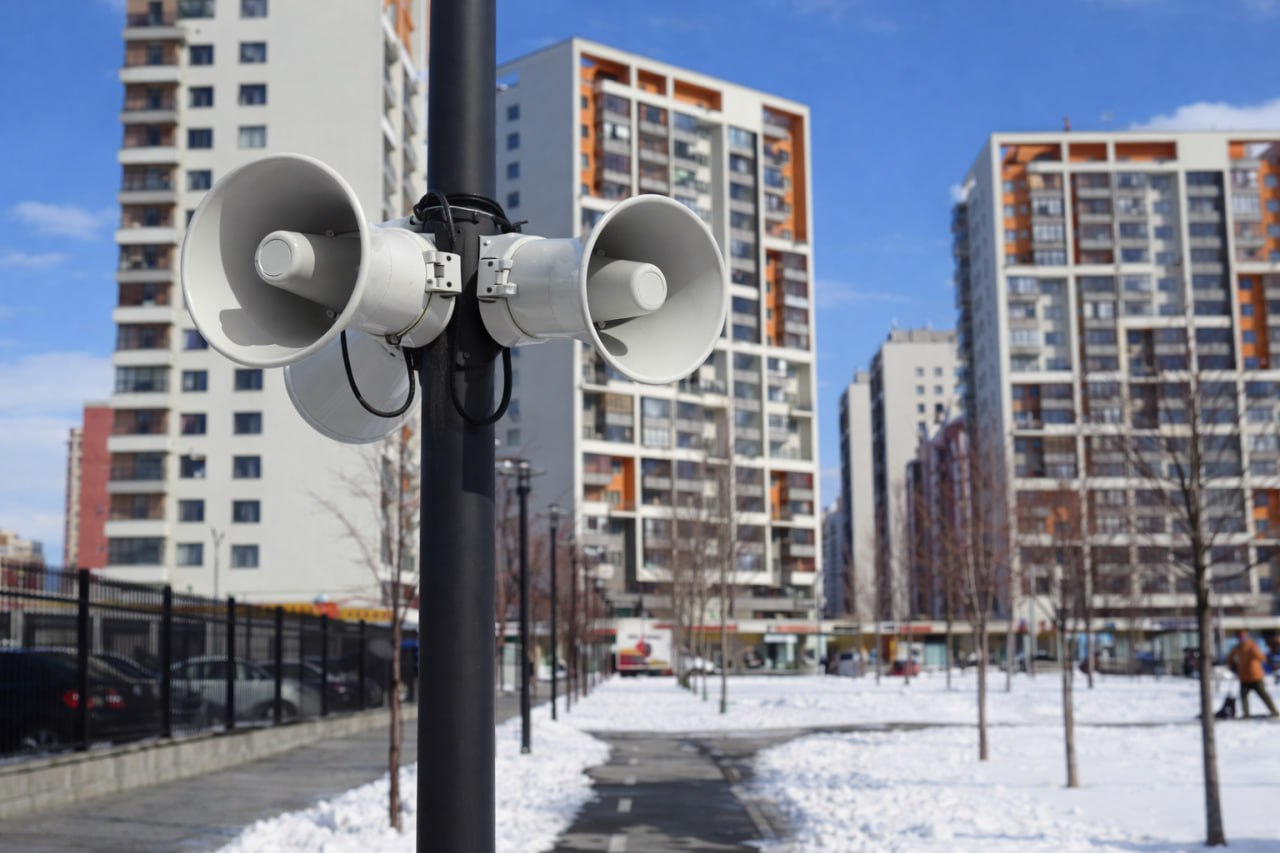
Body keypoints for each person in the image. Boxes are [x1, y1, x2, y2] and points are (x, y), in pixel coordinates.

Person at [1226, 630, 1279, 719]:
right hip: (1244, 677)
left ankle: (1274, 711)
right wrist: (1232, 666)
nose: (1241, 639)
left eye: (1242, 637)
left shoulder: (1252, 646)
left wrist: (1270, 663)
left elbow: (1261, 657)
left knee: (1263, 695)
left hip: (1255, 677)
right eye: (1239, 638)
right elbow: (1230, 658)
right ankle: (1246, 714)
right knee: (1243, 696)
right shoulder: (1237, 648)